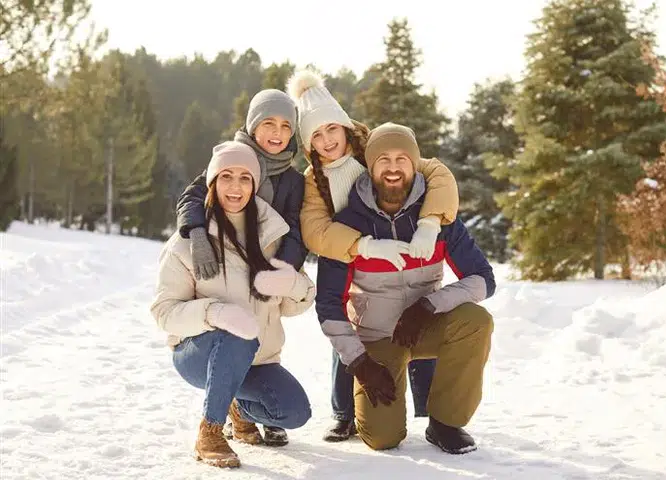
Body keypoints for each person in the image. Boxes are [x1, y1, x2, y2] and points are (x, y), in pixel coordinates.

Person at [287, 70, 460, 441]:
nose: (326, 140)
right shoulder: (314, 181)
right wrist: (362, 246)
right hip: (353, 260)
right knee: (347, 325)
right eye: (316, 135)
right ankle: (344, 412)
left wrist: (430, 222)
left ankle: (430, 409)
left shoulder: (375, 151)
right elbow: (314, 229)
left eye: (331, 129)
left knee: (417, 317)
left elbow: (437, 173)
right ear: (309, 144)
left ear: (345, 127)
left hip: (406, 251)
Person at [315, 122, 496, 454]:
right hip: (377, 339)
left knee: (476, 321)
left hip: (424, 327)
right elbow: (327, 304)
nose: (393, 168)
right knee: (382, 439)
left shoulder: (439, 220)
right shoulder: (347, 226)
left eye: (402, 159)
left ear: (415, 165)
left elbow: (483, 279)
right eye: (383, 159)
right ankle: (357, 412)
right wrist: (359, 363)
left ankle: (445, 424)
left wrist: (428, 306)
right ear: (369, 167)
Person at [150, 141, 315, 468]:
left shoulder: (273, 235)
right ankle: (209, 431)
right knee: (237, 333)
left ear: (254, 185)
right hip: (199, 354)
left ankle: (234, 404)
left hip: (258, 360)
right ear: (212, 182)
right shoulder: (188, 243)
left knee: (295, 411)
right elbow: (164, 313)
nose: (235, 187)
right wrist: (214, 313)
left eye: (244, 178)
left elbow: (297, 303)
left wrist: (292, 283)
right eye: (226, 176)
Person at [176, 88, 307, 278]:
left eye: (286, 126)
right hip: (221, 257)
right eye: (269, 122)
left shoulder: (293, 182)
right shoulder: (230, 159)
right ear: (253, 125)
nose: (277, 132)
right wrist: (197, 234)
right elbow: (192, 196)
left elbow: (296, 233)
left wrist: (278, 270)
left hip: (264, 266)